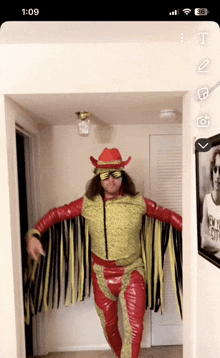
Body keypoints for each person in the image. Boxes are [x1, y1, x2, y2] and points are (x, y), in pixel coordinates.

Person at [26, 148, 182, 358]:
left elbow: (166, 215)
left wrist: (193, 232)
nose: (111, 180)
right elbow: (57, 215)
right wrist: (34, 234)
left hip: (132, 272)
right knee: (109, 327)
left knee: (135, 329)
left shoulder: (137, 202)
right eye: (105, 175)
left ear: (122, 176)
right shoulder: (88, 204)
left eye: (116, 174)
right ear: (98, 178)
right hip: (101, 274)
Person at [201, 147, 220, 257]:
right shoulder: (207, 200)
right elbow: (204, 241)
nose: (218, 176)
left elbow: (209, 242)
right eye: (215, 170)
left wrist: (213, 245)